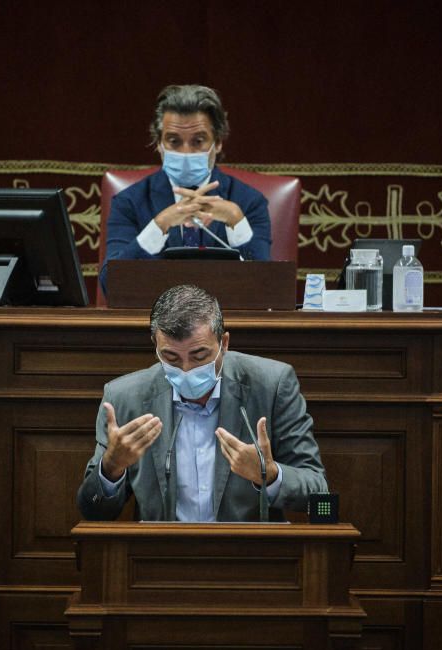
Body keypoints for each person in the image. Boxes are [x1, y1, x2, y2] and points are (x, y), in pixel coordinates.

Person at [77, 284, 328, 521]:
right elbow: (93, 509)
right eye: (171, 357)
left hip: (250, 556)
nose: (186, 370)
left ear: (224, 344)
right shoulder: (124, 398)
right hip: (158, 557)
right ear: (155, 346)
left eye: (199, 356)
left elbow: (318, 489)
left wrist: (269, 475)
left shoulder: (271, 385)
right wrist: (111, 468)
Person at [97, 84, 272, 294]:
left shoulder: (248, 202)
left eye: (198, 141)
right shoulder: (130, 201)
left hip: (226, 320)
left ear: (217, 143)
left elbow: (267, 288)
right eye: (174, 141)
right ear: (159, 144)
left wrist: (236, 222)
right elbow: (111, 285)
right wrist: (160, 225)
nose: (186, 152)